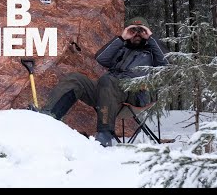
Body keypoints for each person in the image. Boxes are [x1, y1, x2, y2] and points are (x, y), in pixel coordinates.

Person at [40, 16, 169, 147]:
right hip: (108, 91)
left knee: (108, 80)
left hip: (134, 93)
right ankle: (49, 116)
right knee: (75, 79)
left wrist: (151, 38)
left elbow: (167, 62)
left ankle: (105, 134)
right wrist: (121, 38)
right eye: (133, 30)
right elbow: (101, 58)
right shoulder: (122, 48)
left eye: (141, 31)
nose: (137, 34)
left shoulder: (152, 52)